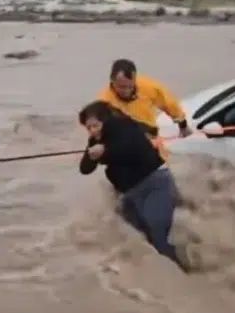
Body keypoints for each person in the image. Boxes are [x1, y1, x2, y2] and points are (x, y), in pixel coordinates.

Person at [78, 100, 183, 270]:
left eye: (95, 125)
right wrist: (91, 156)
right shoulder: (96, 140)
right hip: (131, 194)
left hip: (155, 183)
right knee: (138, 235)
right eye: (88, 128)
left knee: (157, 230)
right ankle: (154, 271)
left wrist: (105, 151)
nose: (92, 131)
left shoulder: (125, 127)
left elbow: (130, 148)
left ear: (106, 121)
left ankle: (177, 271)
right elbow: (85, 169)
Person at [98, 59, 192, 159]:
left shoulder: (148, 87)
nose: (127, 91)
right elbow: (100, 130)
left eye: (130, 86)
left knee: (162, 169)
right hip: (125, 147)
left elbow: (170, 104)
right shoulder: (104, 102)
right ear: (112, 80)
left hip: (152, 140)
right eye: (122, 87)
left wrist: (183, 125)